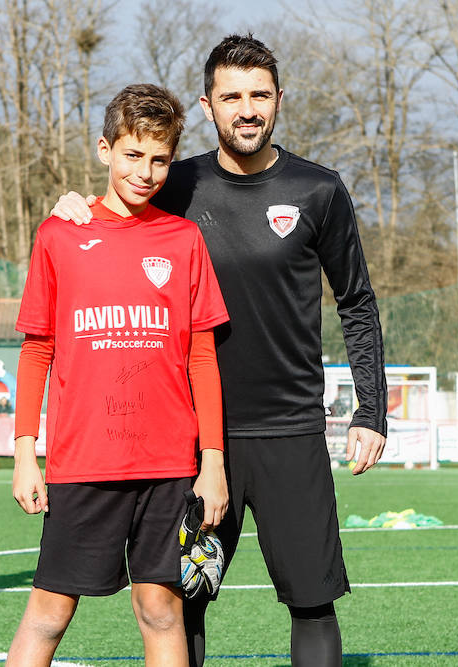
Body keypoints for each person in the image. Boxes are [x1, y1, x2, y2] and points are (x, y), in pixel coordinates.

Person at [52, 35, 388, 667]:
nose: (247, 108)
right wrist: (73, 205)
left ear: (280, 100)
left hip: (290, 430)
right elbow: (110, 216)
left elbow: (358, 303)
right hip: (192, 436)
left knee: (313, 602)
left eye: (260, 94)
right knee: (185, 600)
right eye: (231, 95)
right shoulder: (175, 183)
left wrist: (371, 410)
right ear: (208, 106)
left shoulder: (320, 191)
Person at [7, 83, 229, 667]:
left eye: (160, 160)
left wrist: (213, 464)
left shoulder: (183, 238)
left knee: (161, 609)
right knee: (48, 615)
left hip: (169, 465)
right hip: (83, 462)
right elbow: (36, 352)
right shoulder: (59, 234)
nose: (147, 171)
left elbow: (202, 357)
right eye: (134, 155)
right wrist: (25, 454)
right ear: (106, 149)